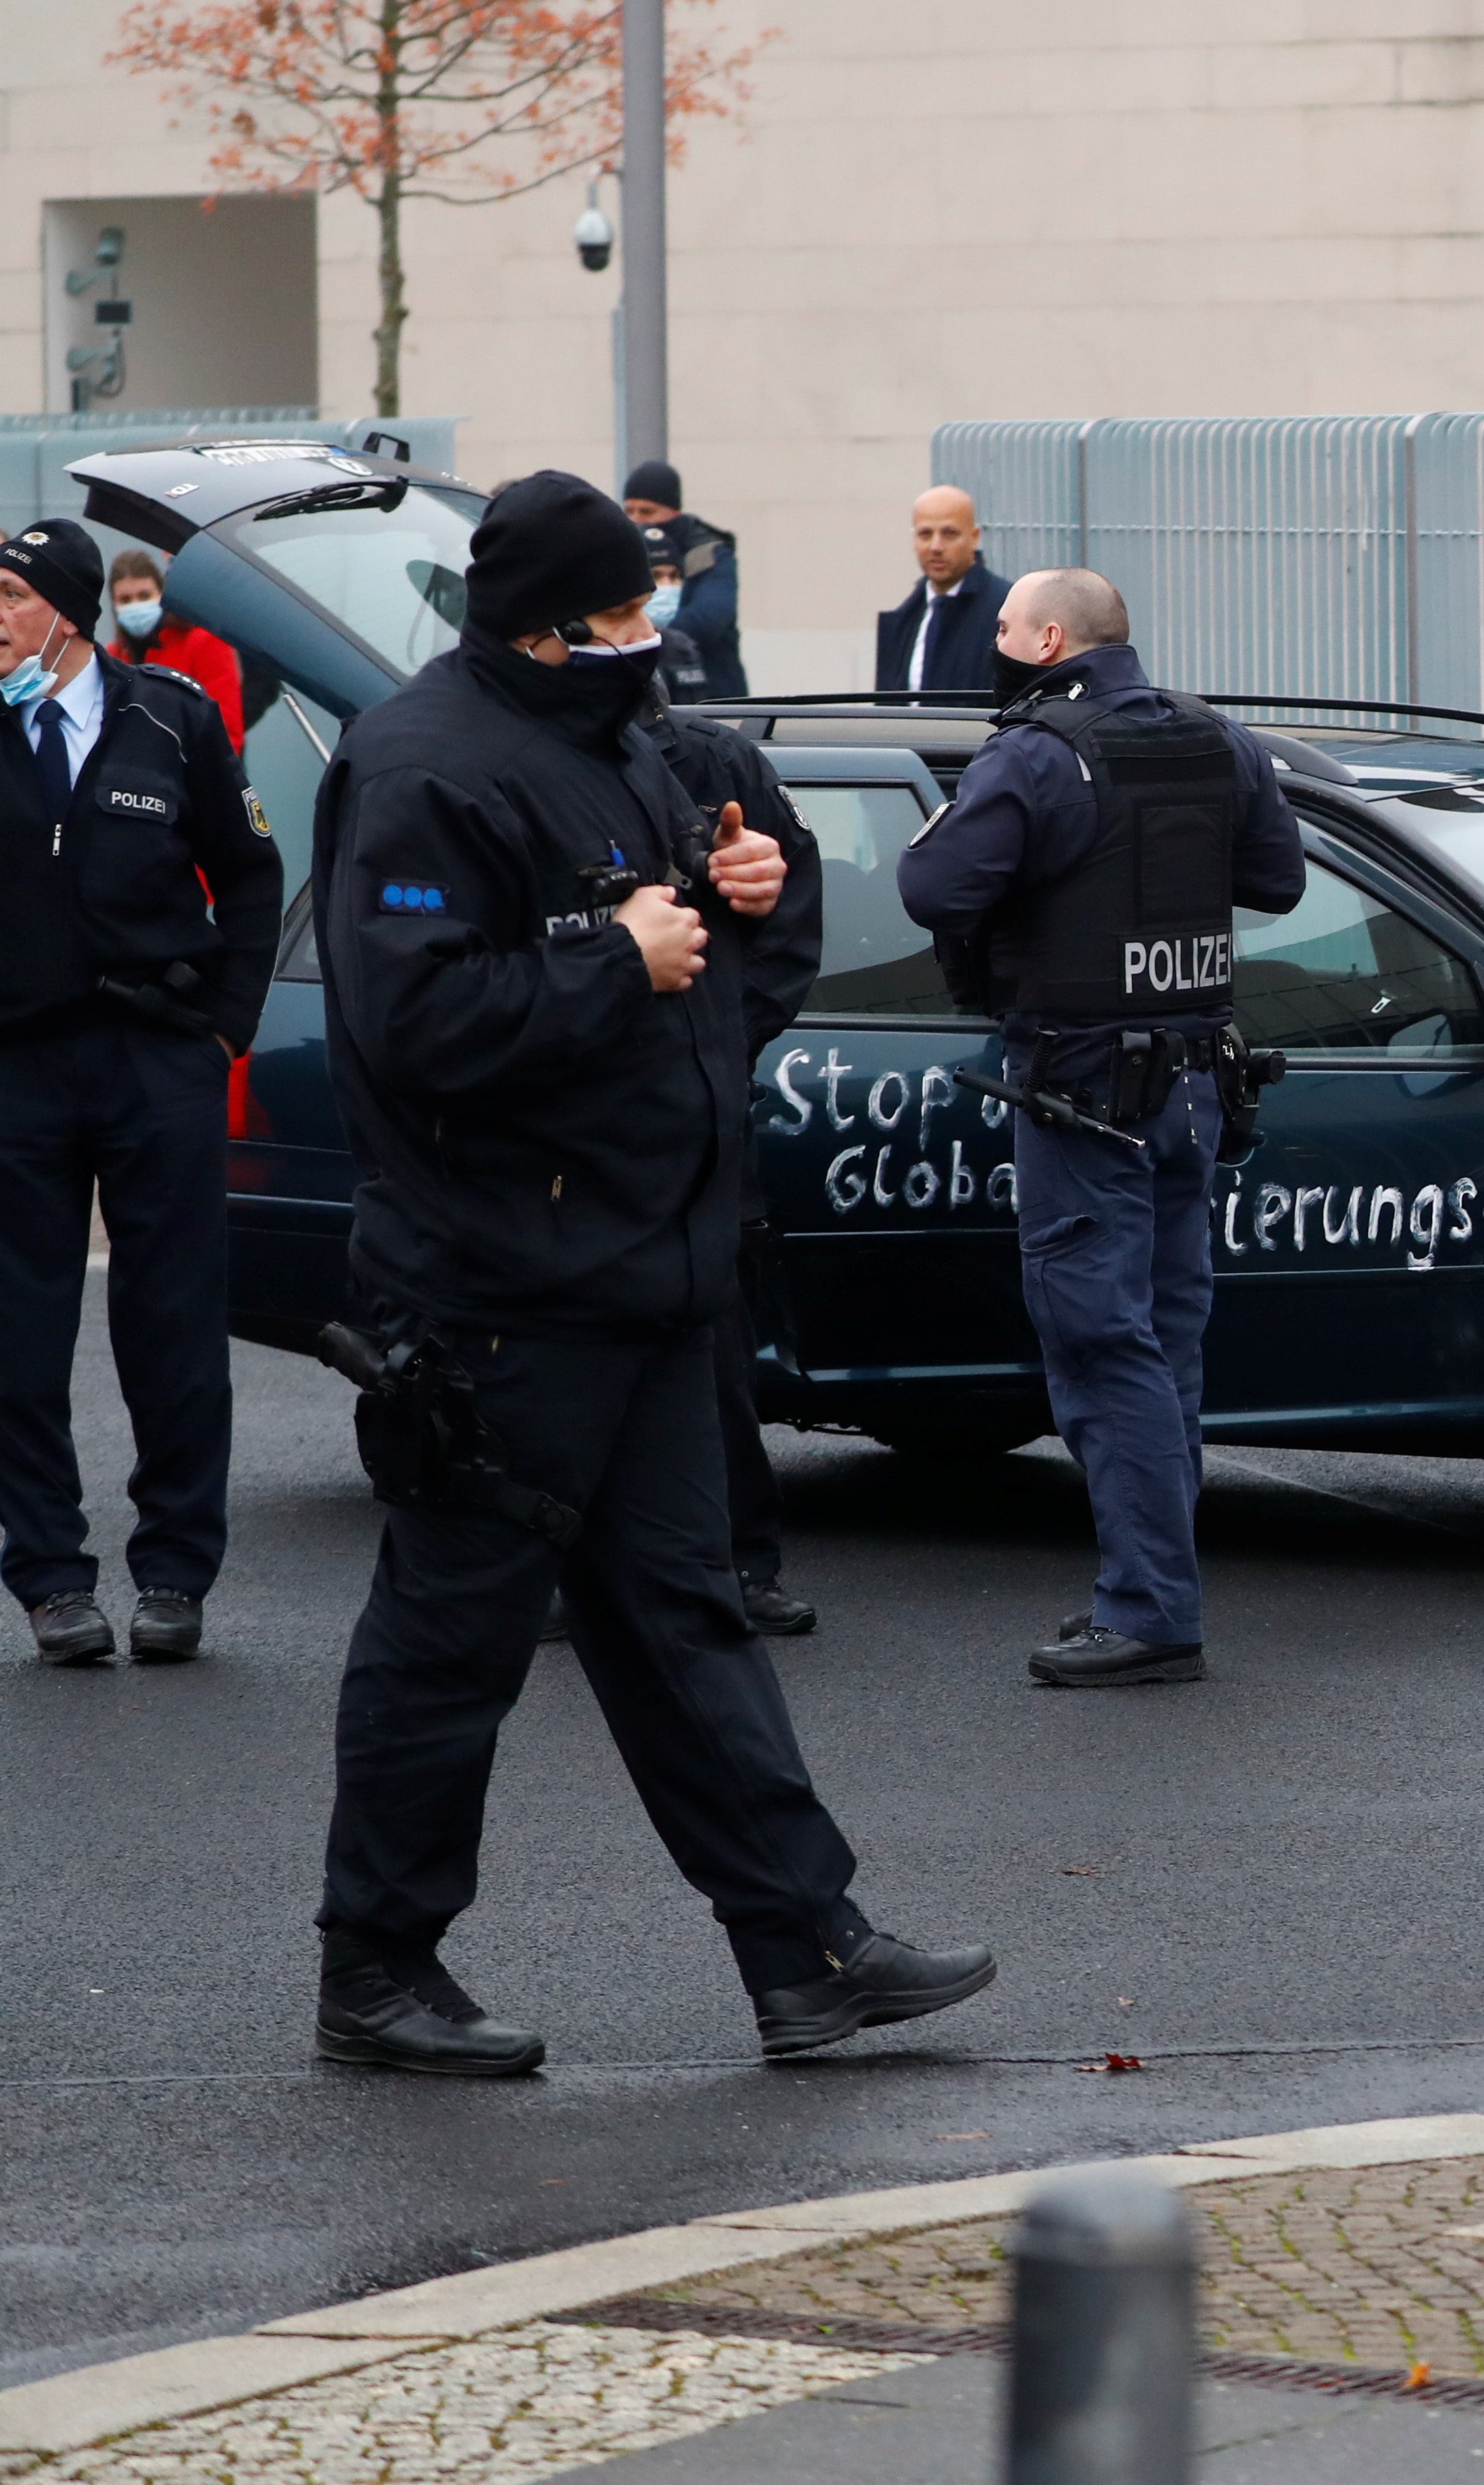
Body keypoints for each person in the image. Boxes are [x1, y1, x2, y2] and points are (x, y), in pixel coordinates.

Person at [309, 469, 986, 2072]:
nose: (649, 634)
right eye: (621, 615)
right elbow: (412, 1025)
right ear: (546, 633)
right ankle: (376, 1971)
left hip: (650, 1268)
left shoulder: (610, 739)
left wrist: (733, 903)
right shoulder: (420, 768)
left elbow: (690, 956)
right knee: (451, 1636)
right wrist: (615, 953)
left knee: (687, 1620)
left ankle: (804, 1949)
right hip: (500, 1290)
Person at [894, 569, 1301, 1689]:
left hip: (1083, 1091)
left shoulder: (1036, 751)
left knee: (1098, 1341)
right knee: (1165, 1339)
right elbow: (1279, 879)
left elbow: (931, 886)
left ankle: (1151, 1609)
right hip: (1192, 1088)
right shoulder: (1216, 737)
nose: (999, 645)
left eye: (1009, 630)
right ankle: (1157, 1590)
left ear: (1053, 638)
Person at [0, 519, 275, 1668]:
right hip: (19, 1071)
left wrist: (223, 1029)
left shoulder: (173, 717)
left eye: (6, 597)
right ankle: (53, 1579)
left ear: (63, 609)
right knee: (19, 1335)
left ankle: (174, 1569)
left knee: (170, 1324)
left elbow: (253, 874)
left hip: (158, 1058)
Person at [646, 654, 824, 1636]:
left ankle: (742, 1564)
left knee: (714, 1349)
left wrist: (720, 1042)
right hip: (567, 1119)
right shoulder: (526, 766)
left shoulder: (719, 765)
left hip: (700, 1115)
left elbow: (792, 921)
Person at [620, 460, 744, 699]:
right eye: (629, 511)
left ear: (673, 510)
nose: (636, 520)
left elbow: (709, 619)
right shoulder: (622, 549)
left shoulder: (708, 553)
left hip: (711, 689)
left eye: (647, 511)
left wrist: (648, 639)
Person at [102, 550, 247, 749]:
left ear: (161, 594)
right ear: (114, 604)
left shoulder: (203, 643)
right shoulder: (111, 658)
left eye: (144, 596)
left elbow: (225, 730)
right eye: (126, 600)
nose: (136, 606)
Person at [876, 486, 1009, 697]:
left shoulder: (1005, 614)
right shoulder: (904, 619)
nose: (936, 546)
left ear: (974, 538)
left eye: (949, 534)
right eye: (925, 534)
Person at [639, 525, 717, 706]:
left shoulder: (682, 648)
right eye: (656, 576)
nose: (667, 585)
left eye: (674, 576)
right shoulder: (611, 647)